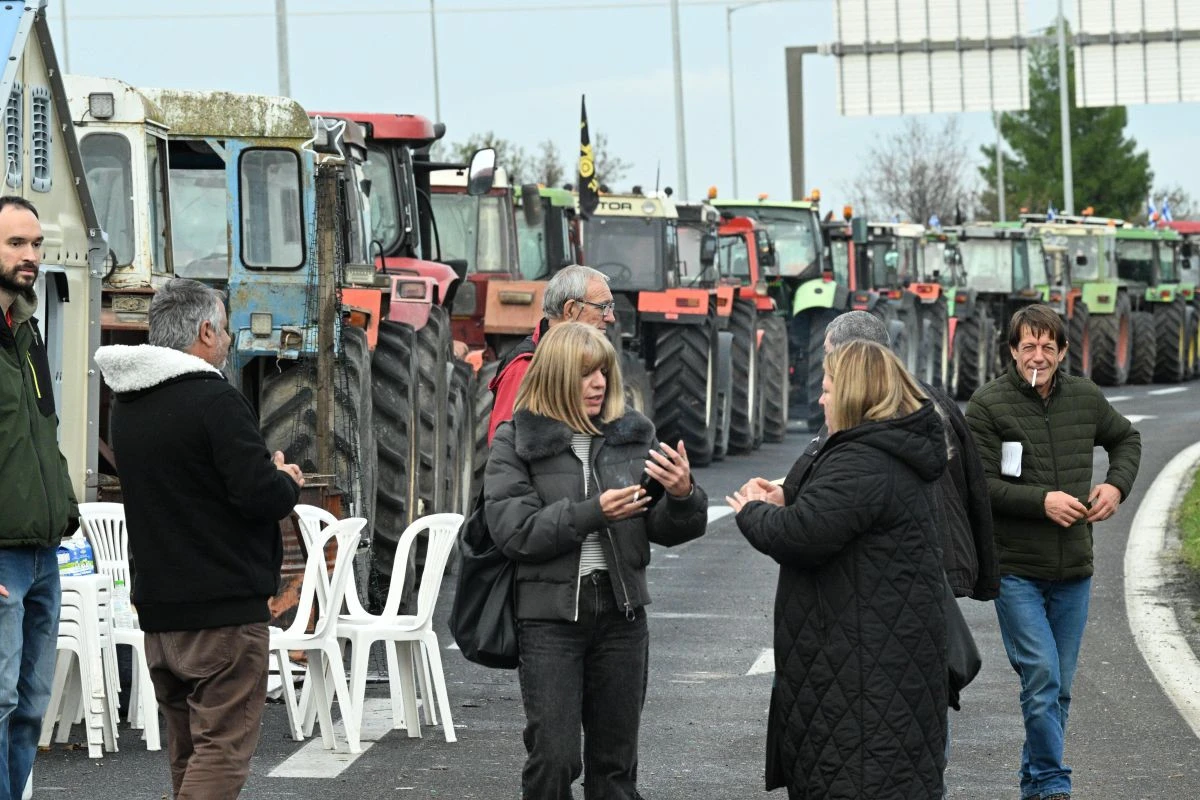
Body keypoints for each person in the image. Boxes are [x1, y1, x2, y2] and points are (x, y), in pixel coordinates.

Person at [94, 278, 304, 799]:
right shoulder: (215, 400)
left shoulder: (128, 404)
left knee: (187, 750)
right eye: (227, 329)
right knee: (222, 751)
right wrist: (286, 480)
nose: (231, 341)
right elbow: (259, 496)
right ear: (206, 330)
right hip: (223, 610)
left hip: (161, 611)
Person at [484, 322, 707, 799]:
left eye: (603, 372)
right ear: (557, 376)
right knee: (555, 758)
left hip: (623, 618)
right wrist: (593, 513)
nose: (599, 384)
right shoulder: (516, 442)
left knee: (615, 767)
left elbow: (664, 528)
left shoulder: (630, 438)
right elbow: (515, 533)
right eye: (585, 374)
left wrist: (685, 495)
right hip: (550, 622)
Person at [729, 339, 948, 799]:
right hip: (875, 664)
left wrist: (753, 511)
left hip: (862, 676)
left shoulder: (862, 460)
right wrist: (788, 496)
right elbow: (830, 514)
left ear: (853, 394)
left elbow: (803, 535)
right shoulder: (883, 450)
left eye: (828, 389)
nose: (821, 398)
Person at [966, 304, 1140, 800]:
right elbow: (979, 486)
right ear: (1012, 351)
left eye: (1047, 346)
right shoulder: (987, 406)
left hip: (1074, 570)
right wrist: (1040, 501)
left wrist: (1116, 487)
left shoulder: (1084, 397)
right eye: (1027, 347)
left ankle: (1036, 782)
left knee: (1056, 689)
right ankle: (1053, 784)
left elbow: (1126, 438)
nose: (1036, 356)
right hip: (1016, 569)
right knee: (1040, 675)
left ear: (1063, 352)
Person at [0, 196, 77, 800]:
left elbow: (41, 436)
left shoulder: (26, 333)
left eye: (35, 244)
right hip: (0, 559)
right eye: (15, 244)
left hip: (42, 555)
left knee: (29, 708)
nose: (30, 257)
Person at [487, 264, 617, 443]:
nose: (611, 317)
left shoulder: (596, 359)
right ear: (570, 310)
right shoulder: (525, 367)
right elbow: (503, 446)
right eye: (602, 307)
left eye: (611, 307)